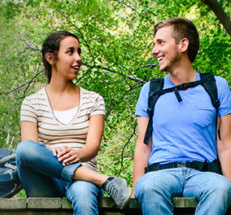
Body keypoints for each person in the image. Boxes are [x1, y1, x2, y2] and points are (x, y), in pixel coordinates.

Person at [16, 31, 131, 215]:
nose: (78, 58)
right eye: (70, 52)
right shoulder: (31, 103)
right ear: (50, 58)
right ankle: (104, 180)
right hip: (46, 180)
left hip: (83, 180)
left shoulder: (93, 100)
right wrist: (51, 153)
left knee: (84, 195)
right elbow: (30, 149)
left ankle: (93, 180)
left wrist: (76, 153)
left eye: (79, 52)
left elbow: (93, 147)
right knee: (24, 149)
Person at [133, 17, 231, 215]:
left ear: (182, 44)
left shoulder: (216, 86)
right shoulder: (150, 91)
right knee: (149, 186)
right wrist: (136, 192)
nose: (154, 50)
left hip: (205, 175)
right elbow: (143, 146)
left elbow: (226, 144)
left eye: (161, 42)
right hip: (160, 174)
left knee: (222, 188)